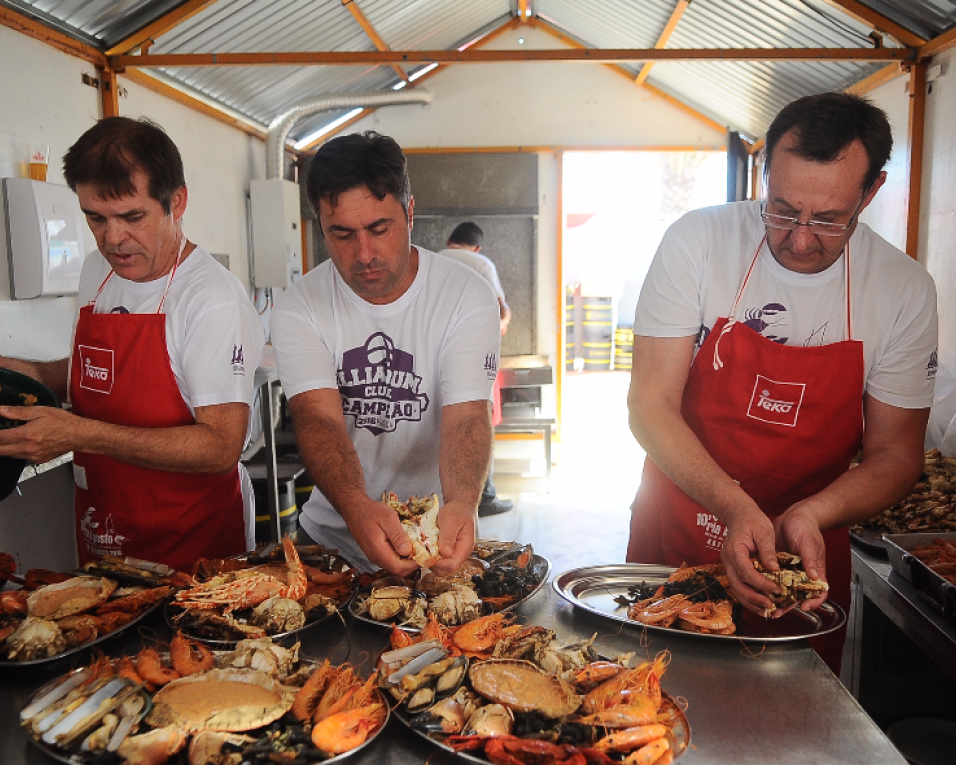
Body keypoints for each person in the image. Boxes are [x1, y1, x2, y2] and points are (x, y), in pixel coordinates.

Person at [626, 92, 938, 672]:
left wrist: (810, 516)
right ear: (765, 172)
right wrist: (733, 505)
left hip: (806, 549)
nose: (799, 238)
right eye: (782, 208)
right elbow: (649, 405)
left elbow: (897, 455)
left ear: (871, 193)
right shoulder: (698, 242)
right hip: (681, 527)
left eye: (827, 219)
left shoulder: (902, 291)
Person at [0, 117, 265, 571]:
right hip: (103, 530)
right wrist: (18, 372)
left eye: (132, 217)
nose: (113, 238)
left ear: (176, 202)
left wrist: (78, 435)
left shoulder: (211, 298)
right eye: (96, 218)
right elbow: (90, 374)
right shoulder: (95, 272)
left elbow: (221, 446)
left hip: (191, 544)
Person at [270, 131, 501, 576]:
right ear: (320, 226)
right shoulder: (300, 306)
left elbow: (466, 415)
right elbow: (317, 419)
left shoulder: (465, 296)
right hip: (332, 538)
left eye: (379, 229)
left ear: (410, 212)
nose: (364, 254)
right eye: (341, 234)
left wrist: (461, 503)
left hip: (436, 536)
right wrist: (356, 507)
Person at [438, 222, 513, 516]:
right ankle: (485, 497)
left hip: (431, 358)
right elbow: (500, 310)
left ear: (449, 241)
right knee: (480, 418)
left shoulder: (425, 259)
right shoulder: (481, 263)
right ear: (477, 247)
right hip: (472, 355)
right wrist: (503, 324)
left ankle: (443, 498)